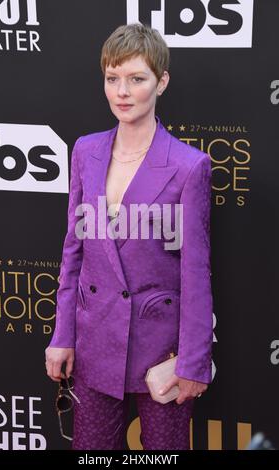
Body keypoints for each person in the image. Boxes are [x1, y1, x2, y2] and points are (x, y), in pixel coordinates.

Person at [45, 23, 213, 450]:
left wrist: (193, 361)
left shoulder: (188, 166)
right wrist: (63, 335)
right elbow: (74, 252)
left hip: (161, 350)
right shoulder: (85, 150)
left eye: (136, 79)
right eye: (112, 78)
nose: (122, 91)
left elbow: (195, 272)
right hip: (95, 340)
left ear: (162, 82)